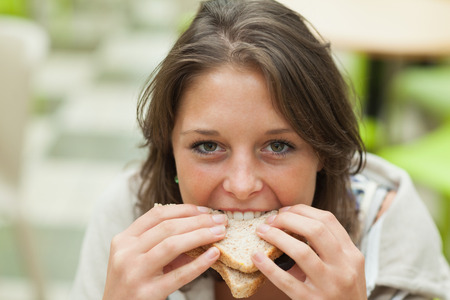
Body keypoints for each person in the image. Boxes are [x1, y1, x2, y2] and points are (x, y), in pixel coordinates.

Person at [70, 0, 450, 299]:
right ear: (169, 148)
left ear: (324, 152)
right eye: (207, 146)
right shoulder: (126, 217)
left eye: (279, 146)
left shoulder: (390, 230)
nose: (241, 185)